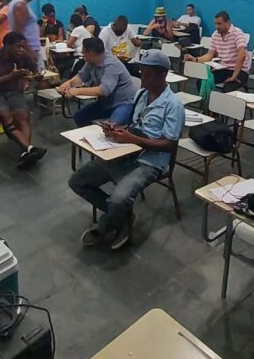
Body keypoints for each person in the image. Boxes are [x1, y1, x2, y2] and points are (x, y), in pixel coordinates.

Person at [69, 49, 184, 250]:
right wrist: (119, 129)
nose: (142, 78)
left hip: (151, 162)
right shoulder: (142, 94)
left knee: (119, 198)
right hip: (127, 152)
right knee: (77, 181)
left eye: (147, 74)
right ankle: (123, 216)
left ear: (162, 75)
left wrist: (132, 138)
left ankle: (107, 225)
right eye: (141, 72)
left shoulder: (173, 105)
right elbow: (135, 123)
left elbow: (169, 144)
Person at [0, 32, 47, 169]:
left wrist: (38, 75)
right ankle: (29, 149)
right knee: (5, 114)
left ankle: (26, 152)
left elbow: (36, 69)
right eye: (18, 47)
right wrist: (10, 77)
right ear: (6, 46)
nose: (21, 50)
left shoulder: (22, 56)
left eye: (23, 46)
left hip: (12, 92)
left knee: (23, 115)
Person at [57, 37, 140, 127]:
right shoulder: (91, 60)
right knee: (79, 116)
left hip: (124, 103)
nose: (82, 53)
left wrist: (76, 91)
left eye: (83, 52)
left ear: (91, 53)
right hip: (106, 103)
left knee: (111, 127)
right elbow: (81, 76)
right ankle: (89, 138)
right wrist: (68, 84)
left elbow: (103, 90)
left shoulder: (111, 65)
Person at [184, 11, 251, 92]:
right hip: (224, 68)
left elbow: (242, 55)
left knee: (227, 89)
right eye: (215, 24)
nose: (217, 26)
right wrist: (195, 59)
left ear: (228, 22)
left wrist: (234, 76)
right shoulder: (215, 34)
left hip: (240, 71)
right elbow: (209, 55)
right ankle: (208, 103)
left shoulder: (237, 33)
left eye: (219, 24)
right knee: (201, 82)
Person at [9, 0, 43, 68]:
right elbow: (18, 32)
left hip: (29, 49)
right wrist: (29, 52)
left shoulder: (17, 4)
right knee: (41, 78)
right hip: (28, 50)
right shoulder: (20, 5)